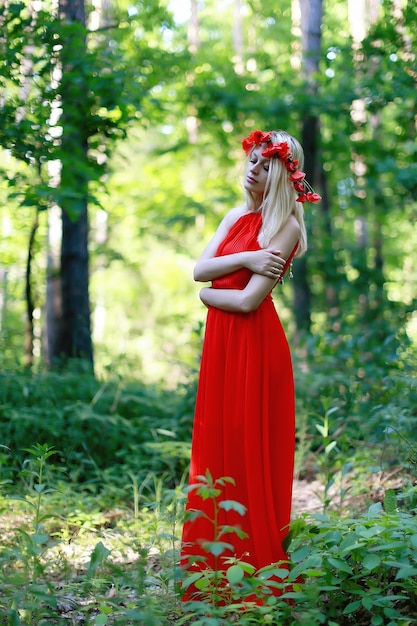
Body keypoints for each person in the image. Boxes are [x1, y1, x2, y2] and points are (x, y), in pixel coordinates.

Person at [180, 129, 321, 602]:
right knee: (216, 448)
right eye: (251, 161)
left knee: (248, 449)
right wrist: (248, 256)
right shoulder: (236, 215)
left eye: (264, 165)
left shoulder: (289, 226)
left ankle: (255, 571)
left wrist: (205, 296)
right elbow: (200, 270)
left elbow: (245, 302)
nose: (252, 169)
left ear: (281, 173)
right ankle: (212, 570)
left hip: (255, 348)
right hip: (220, 348)